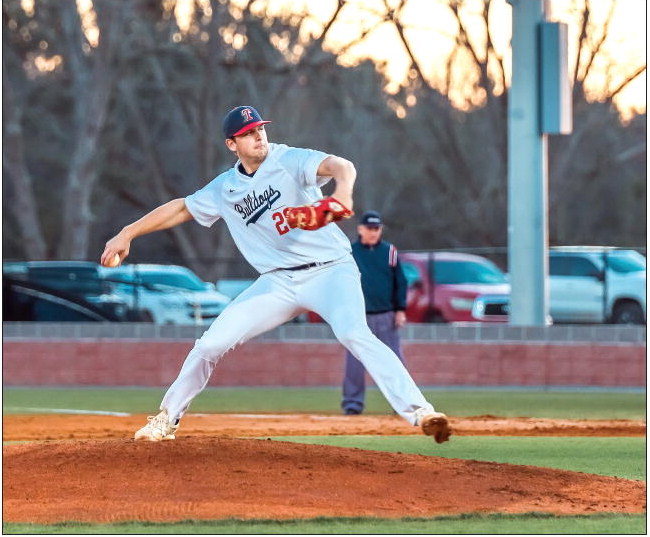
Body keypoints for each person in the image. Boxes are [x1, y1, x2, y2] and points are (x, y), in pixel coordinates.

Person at [100, 105, 451, 444]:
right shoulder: (225, 189)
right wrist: (127, 232)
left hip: (331, 272)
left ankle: (421, 412)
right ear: (231, 145)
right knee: (210, 343)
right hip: (278, 282)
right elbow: (181, 207)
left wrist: (342, 192)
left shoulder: (289, 159)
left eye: (260, 129)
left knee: (355, 334)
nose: (258, 137)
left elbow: (341, 165)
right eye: (248, 134)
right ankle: (166, 419)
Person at [342, 210, 408, 415]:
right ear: (360, 229)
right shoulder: (349, 252)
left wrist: (400, 310)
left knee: (394, 361)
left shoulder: (390, 251)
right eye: (369, 228)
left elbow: (401, 282)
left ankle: (404, 404)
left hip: (386, 315)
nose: (373, 232)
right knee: (354, 363)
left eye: (376, 228)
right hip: (358, 317)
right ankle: (352, 405)